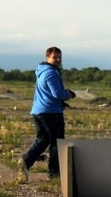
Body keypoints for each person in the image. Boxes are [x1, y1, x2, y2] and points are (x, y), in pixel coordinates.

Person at [18, 47, 75, 181]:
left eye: (60, 57)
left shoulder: (41, 72)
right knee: (57, 143)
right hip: (51, 113)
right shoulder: (51, 73)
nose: (58, 60)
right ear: (47, 58)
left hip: (38, 111)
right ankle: (54, 174)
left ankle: (25, 162)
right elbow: (58, 94)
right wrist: (69, 94)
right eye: (55, 57)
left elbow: (49, 93)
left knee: (43, 139)